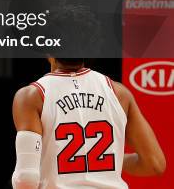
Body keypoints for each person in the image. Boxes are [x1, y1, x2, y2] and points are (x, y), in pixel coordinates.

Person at [12, 51, 167, 188]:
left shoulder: (32, 96)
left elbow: (26, 179)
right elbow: (154, 164)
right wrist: (109, 160)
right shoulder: (119, 93)